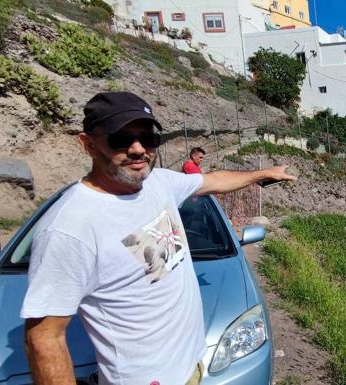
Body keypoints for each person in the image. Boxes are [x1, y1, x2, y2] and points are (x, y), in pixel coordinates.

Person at [21, 92, 296, 385]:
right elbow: (43, 338)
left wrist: (264, 173)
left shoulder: (158, 183)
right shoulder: (71, 227)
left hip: (193, 366)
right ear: (88, 144)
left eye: (148, 137)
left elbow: (214, 181)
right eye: (120, 139)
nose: (139, 149)